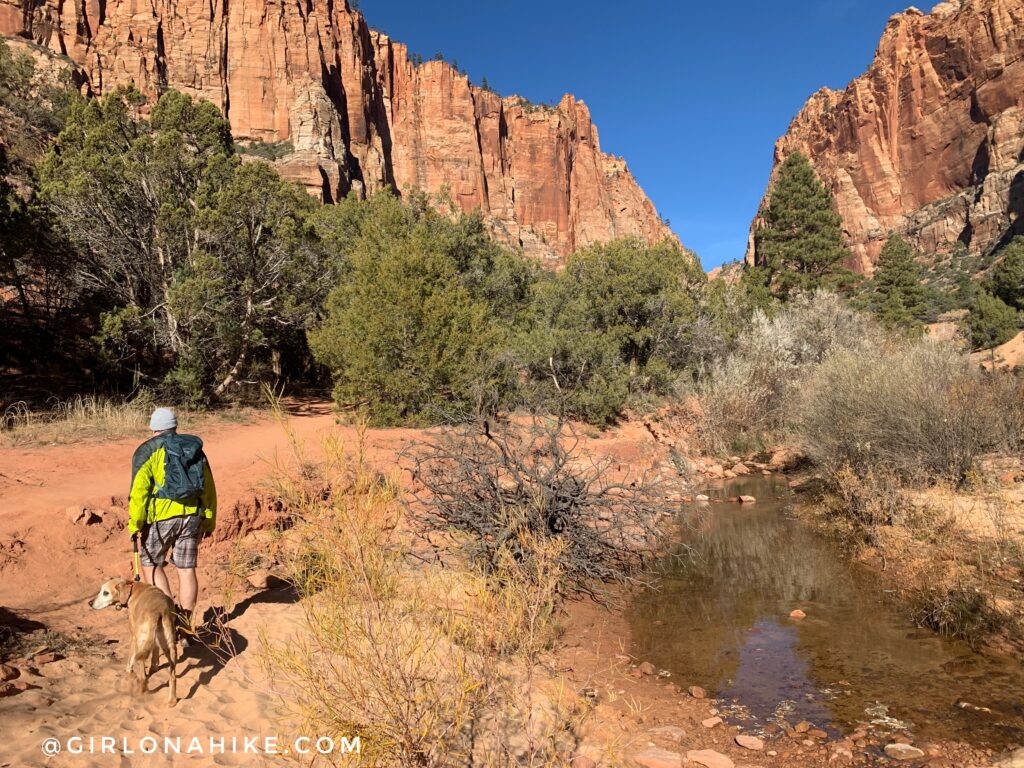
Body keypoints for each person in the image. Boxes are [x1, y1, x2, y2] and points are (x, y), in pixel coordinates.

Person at [128, 407, 216, 641]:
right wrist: (208, 520)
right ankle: (186, 626)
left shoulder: (147, 450)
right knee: (186, 570)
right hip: (193, 515)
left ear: (153, 427)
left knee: (152, 564)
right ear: (175, 425)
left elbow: (139, 491)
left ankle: (170, 617)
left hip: (162, 517)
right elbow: (208, 487)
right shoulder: (194, 448)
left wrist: (135, 524)